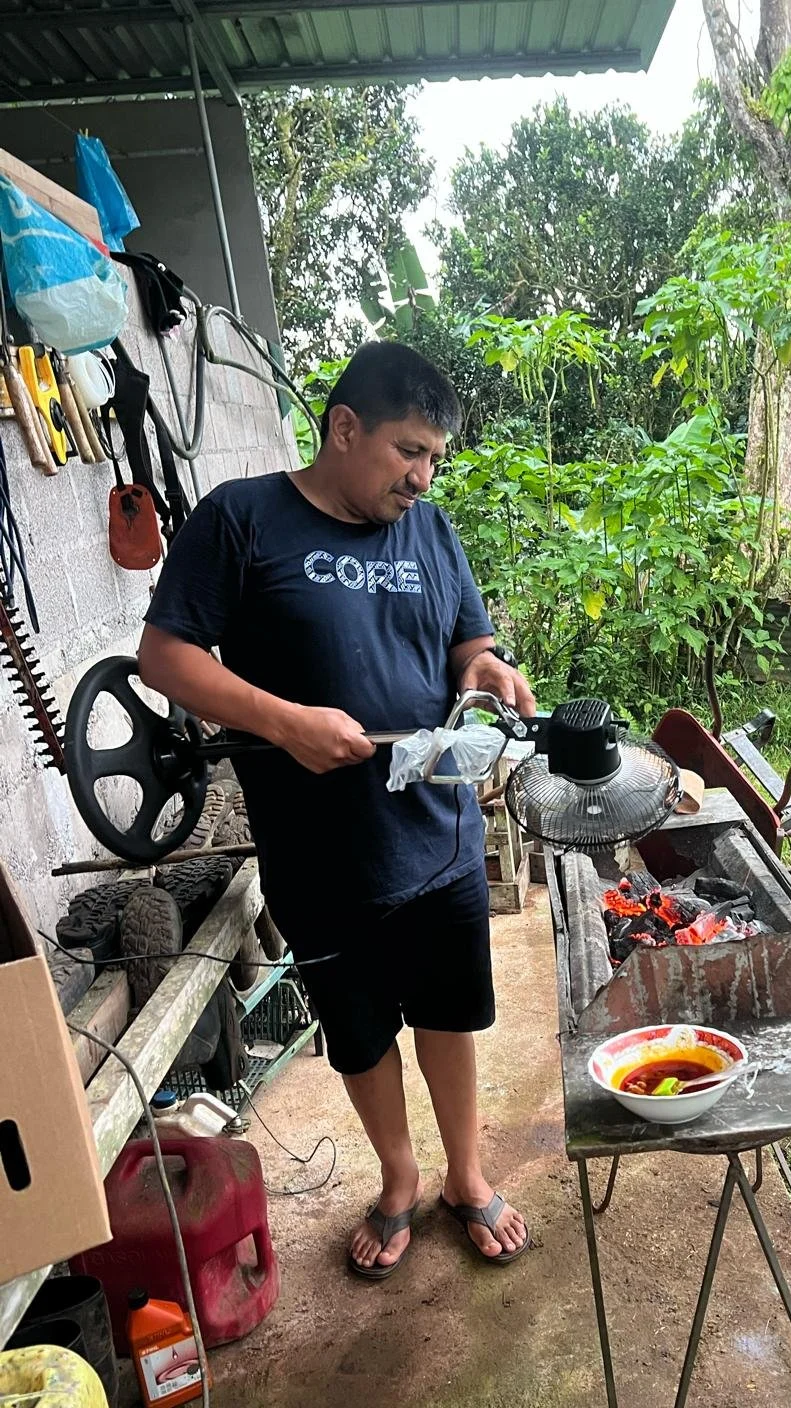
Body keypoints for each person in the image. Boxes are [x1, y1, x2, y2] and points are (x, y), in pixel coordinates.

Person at [138, 341, 533, 1278]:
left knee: (449, 1011)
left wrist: (483, 667)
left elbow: (466, 646)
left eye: (435, 457)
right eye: (407, 451)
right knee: (358, 1030)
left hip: (437, 837)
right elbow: (165, 657)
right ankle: (399, 1181)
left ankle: (466, 1178)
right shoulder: (242, 520)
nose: (423, 475)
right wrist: (282, 724)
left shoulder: (430, 534)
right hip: (321, 853)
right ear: (344, 427)